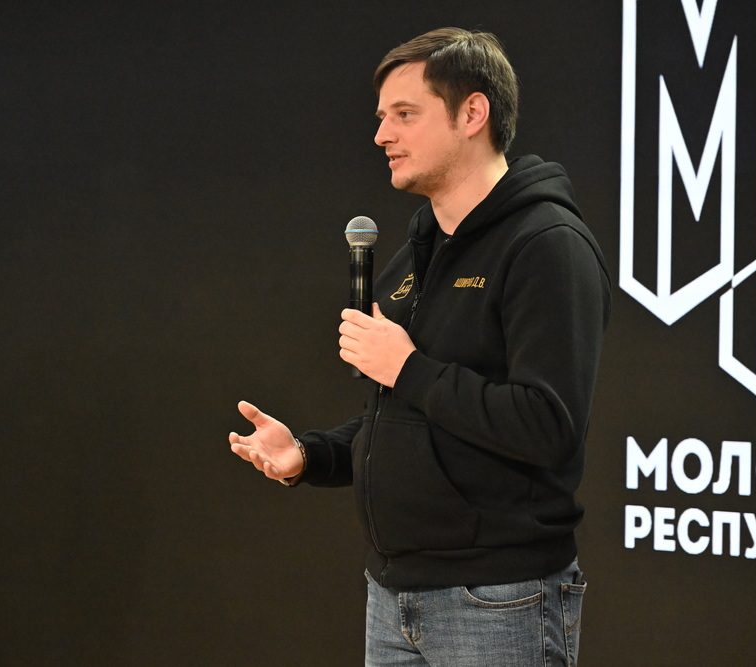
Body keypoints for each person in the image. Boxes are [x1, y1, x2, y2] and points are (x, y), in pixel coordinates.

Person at [229, 27, 609, 666]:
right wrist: (309, 455)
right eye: (382, 118)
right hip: (393, 598)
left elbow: (547, 426)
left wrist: (407, 366)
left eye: (405, 115)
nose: (382, 135)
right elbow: (409, 417)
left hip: (499, 601)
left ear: (472, 114)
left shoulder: (547, 246)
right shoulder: (419, 252)